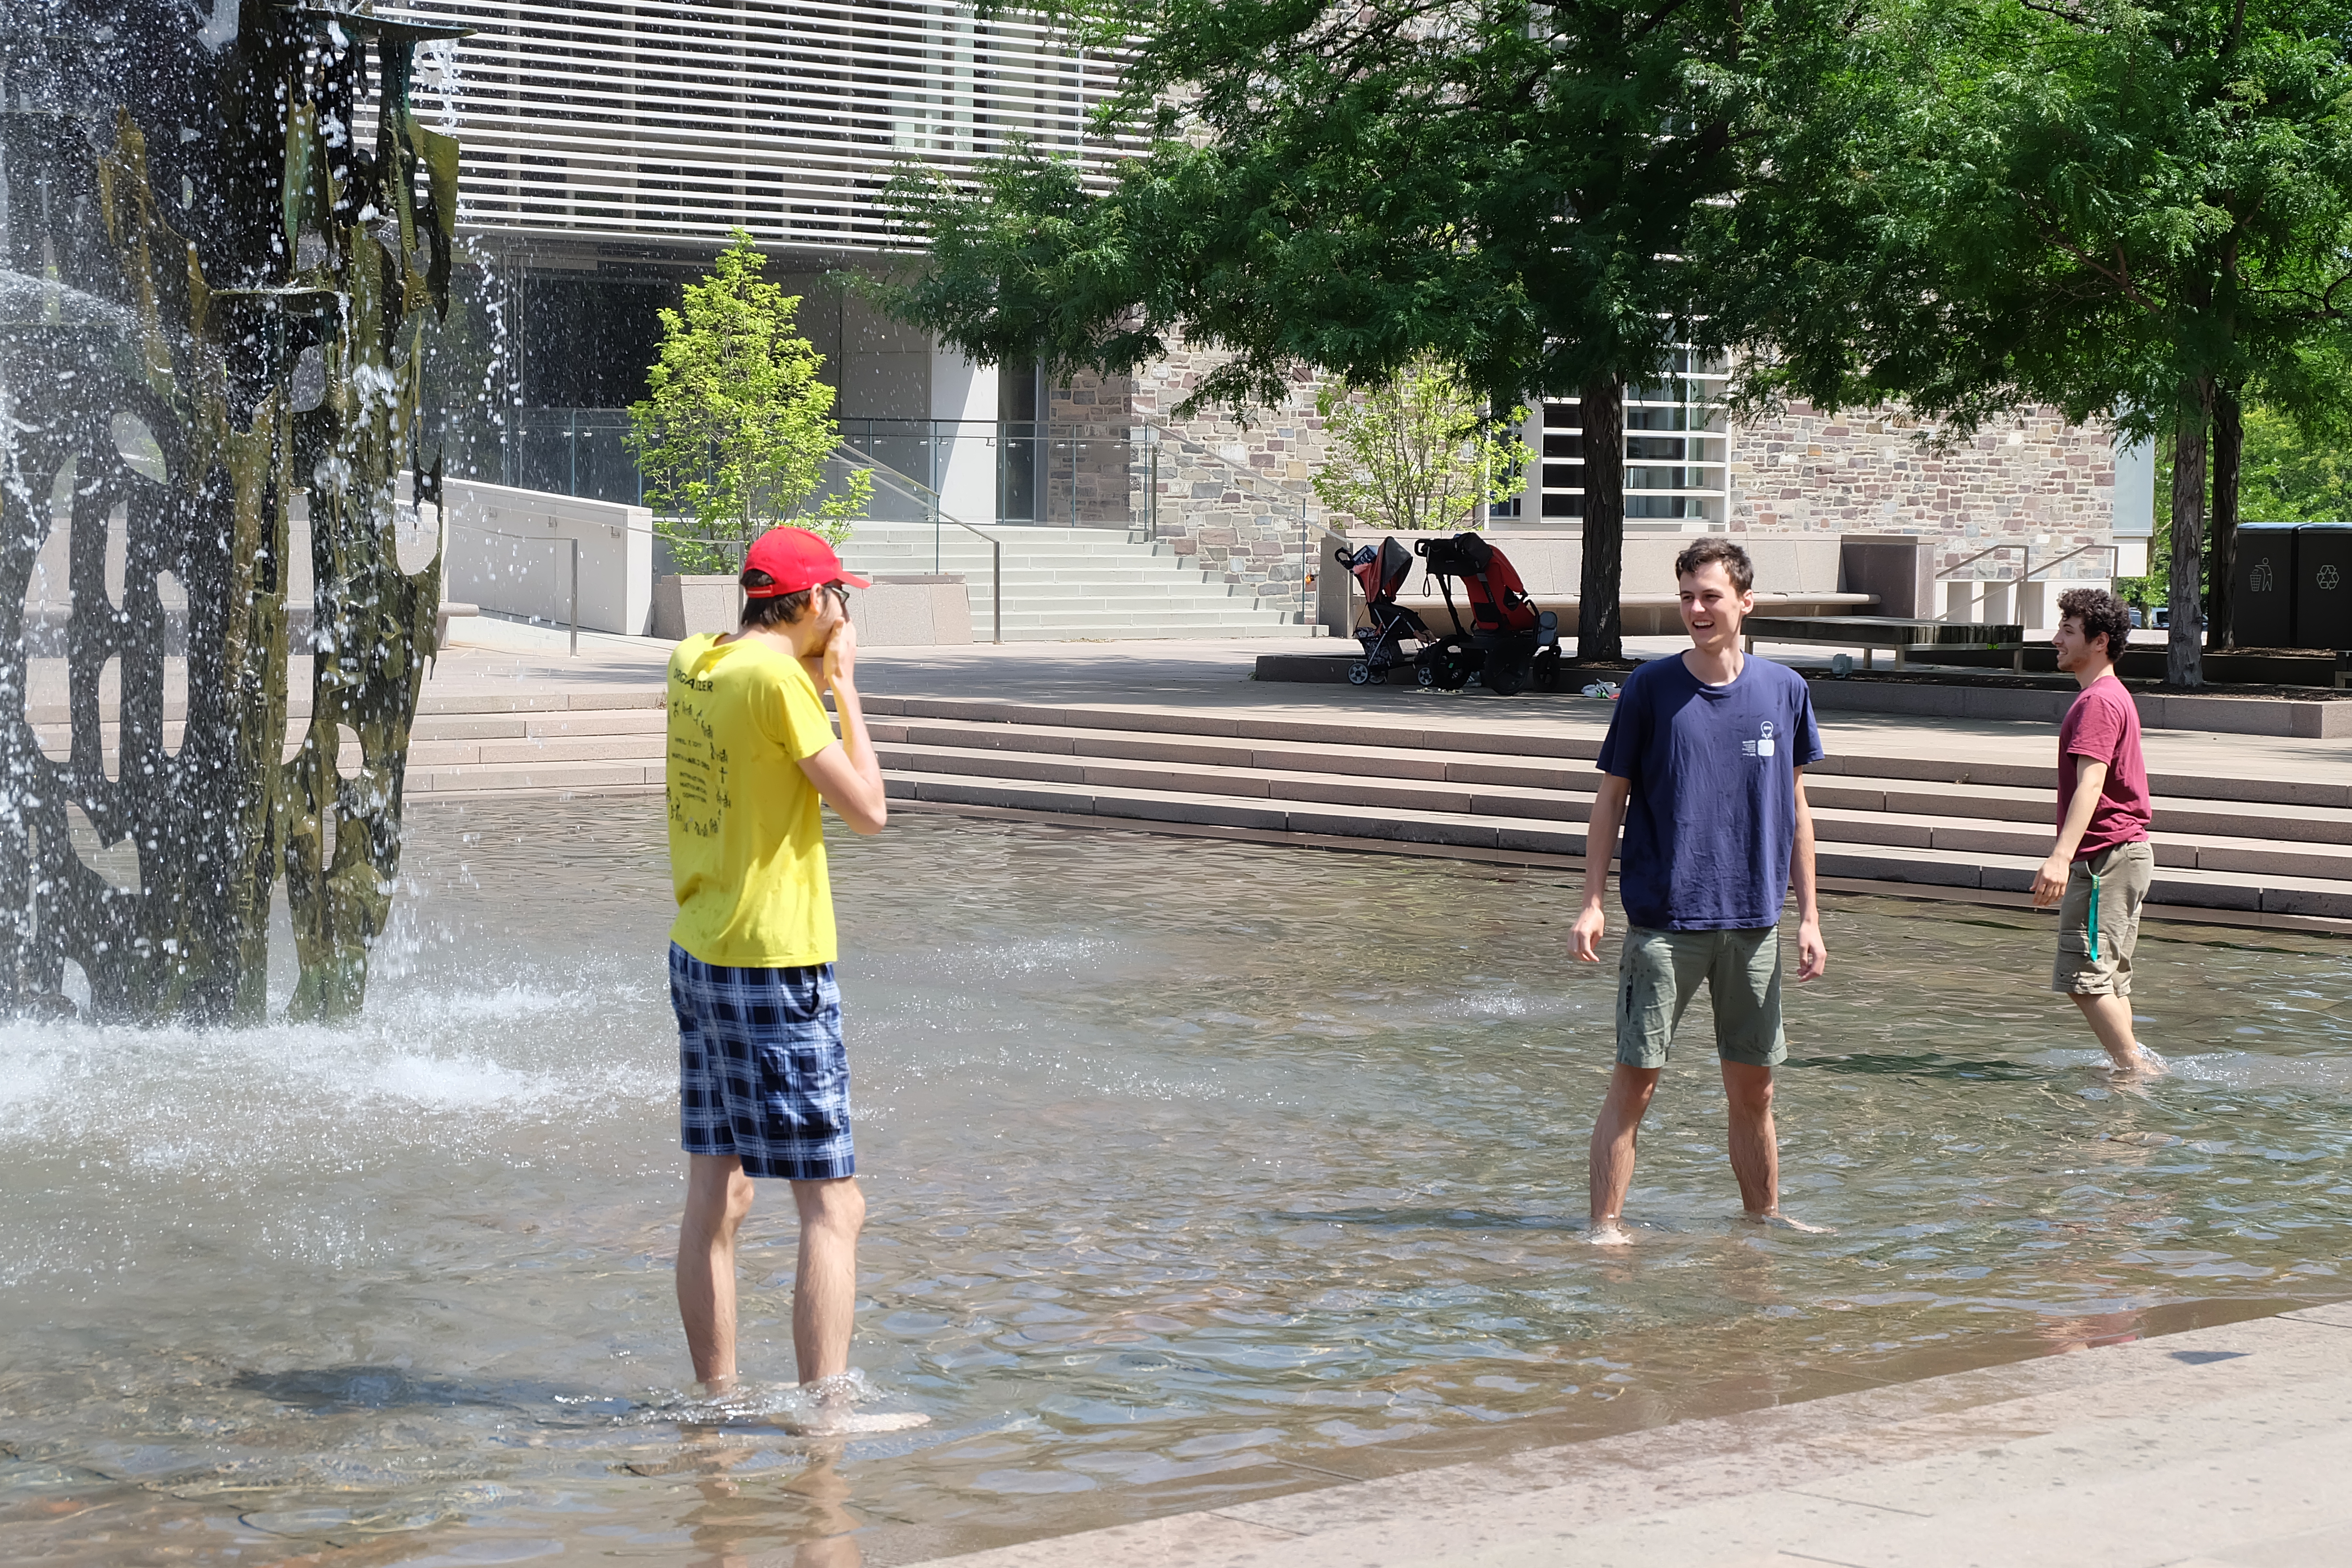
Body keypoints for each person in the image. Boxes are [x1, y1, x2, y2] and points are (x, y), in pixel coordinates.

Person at [663, 525, 904, 1421]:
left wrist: (808, 663)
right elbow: (870, 810)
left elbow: (763, 724)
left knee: (716, 1193)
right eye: (838, 597)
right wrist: (843, 682)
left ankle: (716, 1405)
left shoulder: (696, 659)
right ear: (807, 605)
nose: (844, 613)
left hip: (701, 948)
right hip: (776, 963)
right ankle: (825, 1415)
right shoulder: (785, 685)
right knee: (834, 1207)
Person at [1569, 538, 1829, 1244]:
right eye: (1686, 596)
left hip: (1754, 923)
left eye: (1710, 595)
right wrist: (1593, 902)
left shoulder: (1786, 690)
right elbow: (1609, 802)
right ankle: (1606, 1228)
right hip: (1665, 922)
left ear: (1745, 601)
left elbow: (1797, 807)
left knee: (1757, 1090)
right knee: (1637, 1082)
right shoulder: (1651, 690)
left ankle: (1765, 1221)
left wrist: (1809, 915)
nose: (1696, 609)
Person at [2031, 587, 2162, 1077]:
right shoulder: (2108, 697)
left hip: (2106, 859)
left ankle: (2139, 1074)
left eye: (2068, 631)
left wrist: (2061, 857)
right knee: (2111, 981)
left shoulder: (2099, 703)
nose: (2056, 640)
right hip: (2121, 856)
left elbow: (2092, 782)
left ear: (2100, 641)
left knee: (2082, 979)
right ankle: (2129, 1081)